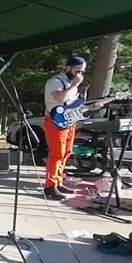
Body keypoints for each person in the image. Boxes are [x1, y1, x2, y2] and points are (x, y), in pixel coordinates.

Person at [43, 55, 101, 200]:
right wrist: (74, 85)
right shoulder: (55, 81)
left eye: (82, 71)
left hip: (69, 122)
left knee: (66, 152)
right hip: (55, 121)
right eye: (77, 70)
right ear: (68, 67)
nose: (80, 74)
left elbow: (73, 106)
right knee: (57, 153)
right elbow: (60, 98)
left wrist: (89, 108)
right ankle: (50, 187)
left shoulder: (71, 83)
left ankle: (59, 181)